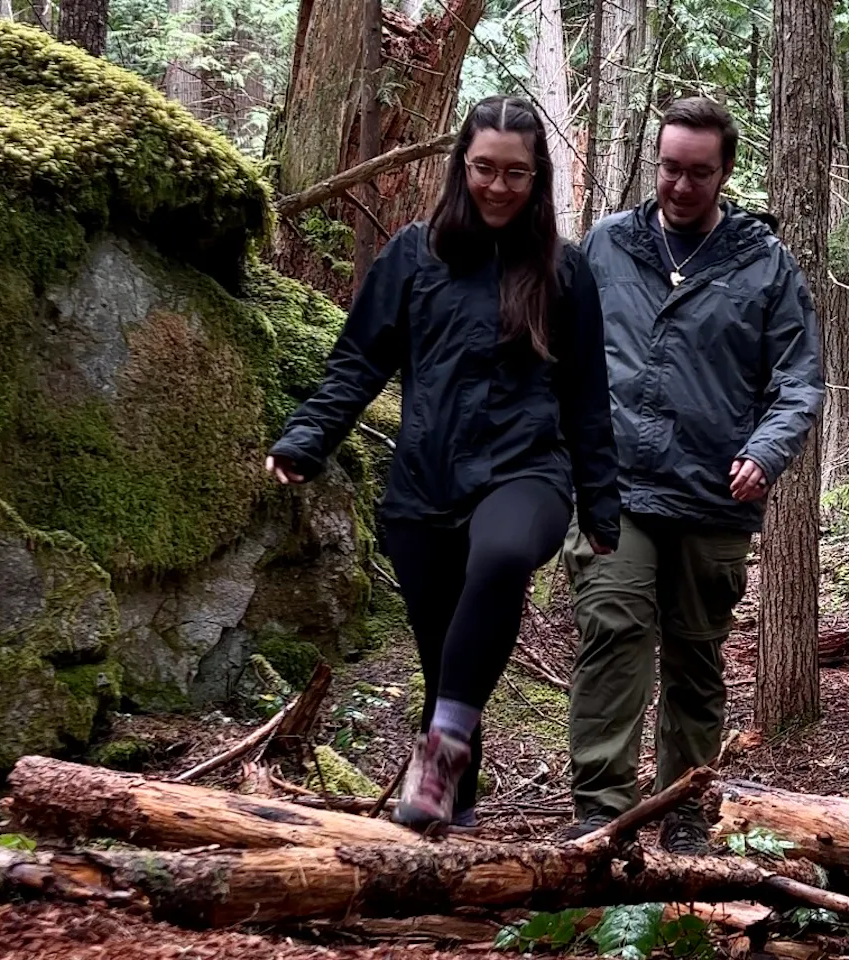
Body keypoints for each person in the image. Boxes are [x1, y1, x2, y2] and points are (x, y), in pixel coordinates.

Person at [264, 95, 620, 833]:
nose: (498, 186)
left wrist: (602, 505)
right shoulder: (413, 255)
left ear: (538, 177)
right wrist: (306, 439)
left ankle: (444, 752)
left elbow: (588, 398)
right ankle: (451, 817)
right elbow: (357, 362)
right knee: (446, 660)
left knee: (500, 559)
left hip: (528, 473)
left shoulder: (565, 272)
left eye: (516, 173)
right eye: (485, 168)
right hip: (424, 486)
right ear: (462, 164)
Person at [561, 97, 825, 852]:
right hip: (617, 488)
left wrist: (766, 451)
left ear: (725, 172)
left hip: (714, 494)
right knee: (612, 628)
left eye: (698, 173)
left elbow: (799, 379)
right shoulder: (608, 245)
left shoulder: (763, 265)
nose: (680, 186)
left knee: (695, 654)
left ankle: (684, 811)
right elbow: (563, 347)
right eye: (670, 169)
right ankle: (599, 814)